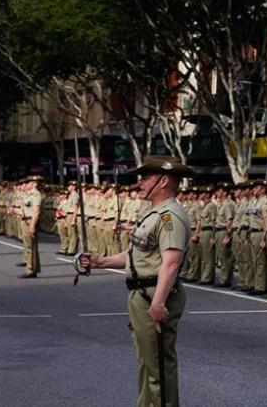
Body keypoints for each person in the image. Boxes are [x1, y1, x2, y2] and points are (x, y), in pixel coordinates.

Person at [79, 155, 193, 407]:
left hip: (153, 295)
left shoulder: (169, 216)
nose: (139, 183)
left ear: (163, 181)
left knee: (159, 368)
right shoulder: (152, 213)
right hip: (142, 294)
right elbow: (135, 256)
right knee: (148, 362)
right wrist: (100, 261)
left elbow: (171, 262)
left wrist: (159, 302)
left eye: (146, 178)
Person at [19, 176, 44, 278]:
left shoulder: (36, 195)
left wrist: (32, 225)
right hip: (25, 220)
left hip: (30, 221)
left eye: (29, 182)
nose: (27, 184)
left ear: (34, 184)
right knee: (29, 246)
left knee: (30, 247)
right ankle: (33, 268)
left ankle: (30, 270)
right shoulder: (29, 195)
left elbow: (36, 212)